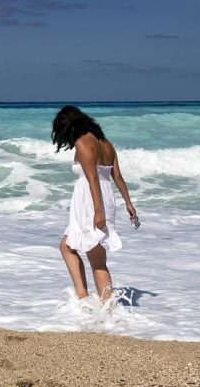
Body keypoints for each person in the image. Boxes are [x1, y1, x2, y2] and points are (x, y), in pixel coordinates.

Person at [51, 105, 137, 302]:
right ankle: (94, 303)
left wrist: (98, 211)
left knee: (92, 257)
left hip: (92, 200)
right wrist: (128, 203)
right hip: (104, 197)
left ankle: (96, 304)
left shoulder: (83, 142)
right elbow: (117, 176)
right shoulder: (106, 144)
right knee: (73, 248)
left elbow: (93, 179)